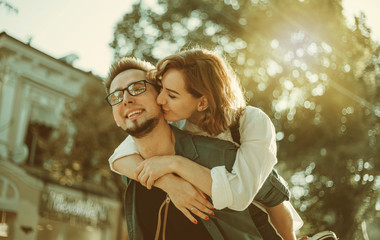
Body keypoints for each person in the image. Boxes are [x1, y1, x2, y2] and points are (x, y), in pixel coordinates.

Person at [108, 49, 302, 240]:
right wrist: (169, 183)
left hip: (263, 199)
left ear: (202, 103)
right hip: (229, 207)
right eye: (162, 90)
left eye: (172, 95)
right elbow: (120, 155)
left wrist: (175, 163)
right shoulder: (176, 120)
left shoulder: (250, 122)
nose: (161, 99)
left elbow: (242, 194)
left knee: (274, 200)